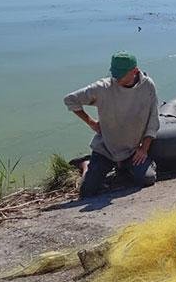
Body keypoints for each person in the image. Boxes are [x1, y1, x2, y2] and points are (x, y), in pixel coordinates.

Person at [63, 51, 159, 197]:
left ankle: (125, 167)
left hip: (132, 149)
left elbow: (153, 120)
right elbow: (70, 100)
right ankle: (86, 163)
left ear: (135, 71)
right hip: (106, 149)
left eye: (121, 75)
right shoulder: (103, 88)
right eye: (115, 74)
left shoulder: (147, 86)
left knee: (148, 179)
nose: (116, 78)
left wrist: (143, 149)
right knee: (88, 191)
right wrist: (91, 123)